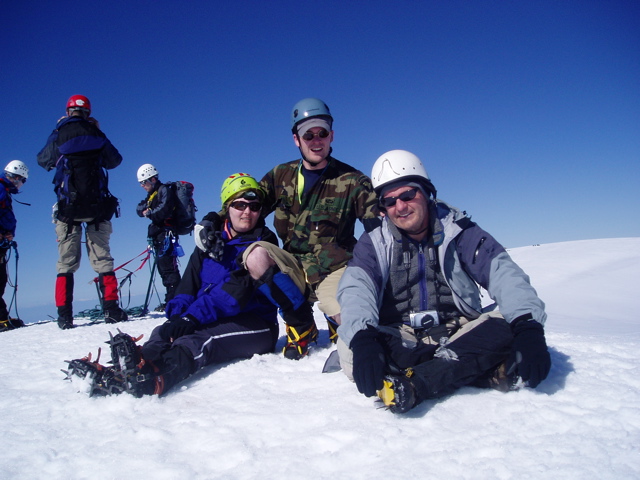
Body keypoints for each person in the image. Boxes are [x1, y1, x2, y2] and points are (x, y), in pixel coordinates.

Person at [336, 150, 551, 413]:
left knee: (511, 321)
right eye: (389, 202)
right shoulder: (374, 242)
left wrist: (528, 328)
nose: (400, 207)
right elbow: (356, 289)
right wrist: (364, 339)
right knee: (351, 348)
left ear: (427, 193)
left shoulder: (460, 230)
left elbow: (503, 274)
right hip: (402, 337)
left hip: (460, 329)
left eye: (408, 195)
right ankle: (475, 368)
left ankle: (419, 381)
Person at [63, 173, 281, 397]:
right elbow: (188, 285)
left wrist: (192, 318)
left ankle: (156, 380)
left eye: (254, 206)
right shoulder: (210, 241)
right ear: (227, 207)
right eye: (240, 205)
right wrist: (177, 315)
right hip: (213, 316)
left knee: (200, 340)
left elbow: (235, 293)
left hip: (257, 324)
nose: (247, 212)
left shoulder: (263, 245)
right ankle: (129, 370)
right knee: (162, 331)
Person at [257, 97, 379, 359]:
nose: (316, 140)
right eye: (308, 135)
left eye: (322, 133)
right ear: (296, 139)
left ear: (331, 135)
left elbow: (378, 228)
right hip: (294, 267)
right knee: (255, 255)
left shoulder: (353, 180)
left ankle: (337, 320)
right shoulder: (280, 176)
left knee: (353, 325)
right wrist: (214, 220)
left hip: (333, 269)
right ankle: (301, 324)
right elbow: (248, 207)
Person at [37, 94, 127, 329]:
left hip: (68, 210)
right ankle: (111, 311)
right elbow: (114, 160)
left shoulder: (59, 133)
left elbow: (43, 160)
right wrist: (97, 130)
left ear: (68, 112)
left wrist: (57, 130)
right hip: (97, 208)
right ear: (88, 112)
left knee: (65, 263)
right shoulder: (95, 133)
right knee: (103, 259)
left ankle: (65, 317)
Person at [136, 164, 182, 307]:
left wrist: (149, 212)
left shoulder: (164, 190)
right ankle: (172, 300)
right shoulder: (152, 195)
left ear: (153, 179)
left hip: (166, 234)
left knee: (168, 268)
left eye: (144, 182)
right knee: (164, 269)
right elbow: (139, 209)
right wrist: (147, 210)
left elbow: (164, 209)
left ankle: (175, 301)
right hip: (159, 235)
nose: (142, 186)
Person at [0, 160, 29, 332]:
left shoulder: (4, 191)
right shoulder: (1, 189)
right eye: (21, 180)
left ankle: (2, 317)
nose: (20, 185)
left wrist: (7, 233)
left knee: (1, 278)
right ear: (16, 177)